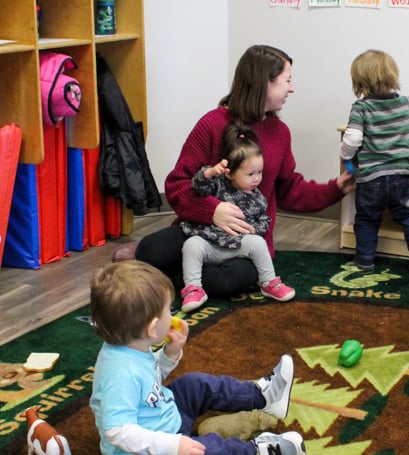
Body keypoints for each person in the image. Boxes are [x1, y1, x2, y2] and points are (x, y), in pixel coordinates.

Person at [125, 45, 353, 296]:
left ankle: (178, 279)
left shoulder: (280, 132)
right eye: (286, 80)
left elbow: (289, 190)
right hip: (201, 231)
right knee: (150, 251)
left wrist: (335, 189)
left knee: (225, 281)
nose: (292, 88)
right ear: (262, 83)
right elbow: (177, 185)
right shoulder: (211, 124)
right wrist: (213, 211)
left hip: (245, 241)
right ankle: (182, 274)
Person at [89, 260, 306, 455]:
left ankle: (263, 397)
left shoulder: (130, 346)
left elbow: (147, 385)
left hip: (166, 420)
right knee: (208, 448)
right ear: (153, 329)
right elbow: (117, 430)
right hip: (151, 449)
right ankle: (257, 451)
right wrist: (173, 446)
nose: (172, 316)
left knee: (193, 384)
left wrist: (169, 353)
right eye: (168, 310)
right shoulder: (120, 373)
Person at [179, 122, 295, 312]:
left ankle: (269, 282)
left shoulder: (258, 199)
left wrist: (254, 230)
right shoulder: (219, 185)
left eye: (260, 172)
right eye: (250, 174)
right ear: (230, 173)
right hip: (211, 244)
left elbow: (264, 220)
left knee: (258, 243)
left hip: (238, 246)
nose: (257, 179)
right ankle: (193, 288)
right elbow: (198, 187)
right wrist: (209, 173)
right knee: (191, 245)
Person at [339, 49, 409, 273]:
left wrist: (345, 155)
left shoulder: (361, 108)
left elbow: (352, 138)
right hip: (402, 176)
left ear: (359, 82)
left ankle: (365, 259)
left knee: (367, 218)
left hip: (371, 178)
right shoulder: (403, 103)